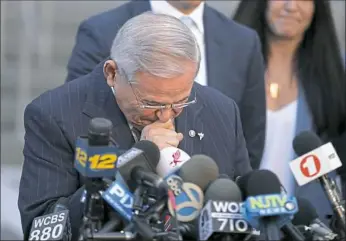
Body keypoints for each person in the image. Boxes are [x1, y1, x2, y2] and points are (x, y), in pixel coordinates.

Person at [18, 13, 252, 240]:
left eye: (181, 100)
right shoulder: (53, 114)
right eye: (150, 102)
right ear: (112, 74)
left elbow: (242, 210)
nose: (166, 115)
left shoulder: (221, 110)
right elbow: (42, 228)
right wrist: (134, 164)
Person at [65, 0, 266, 168]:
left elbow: (249, 140)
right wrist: (136, 159)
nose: (166, 114)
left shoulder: (242, 39)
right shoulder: (101, 30)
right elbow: (79, 118)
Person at [233, 0, 346, 227]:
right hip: (237, 220)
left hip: (308, 223)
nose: (291, 6)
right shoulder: (226, 66)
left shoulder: (337, 73)